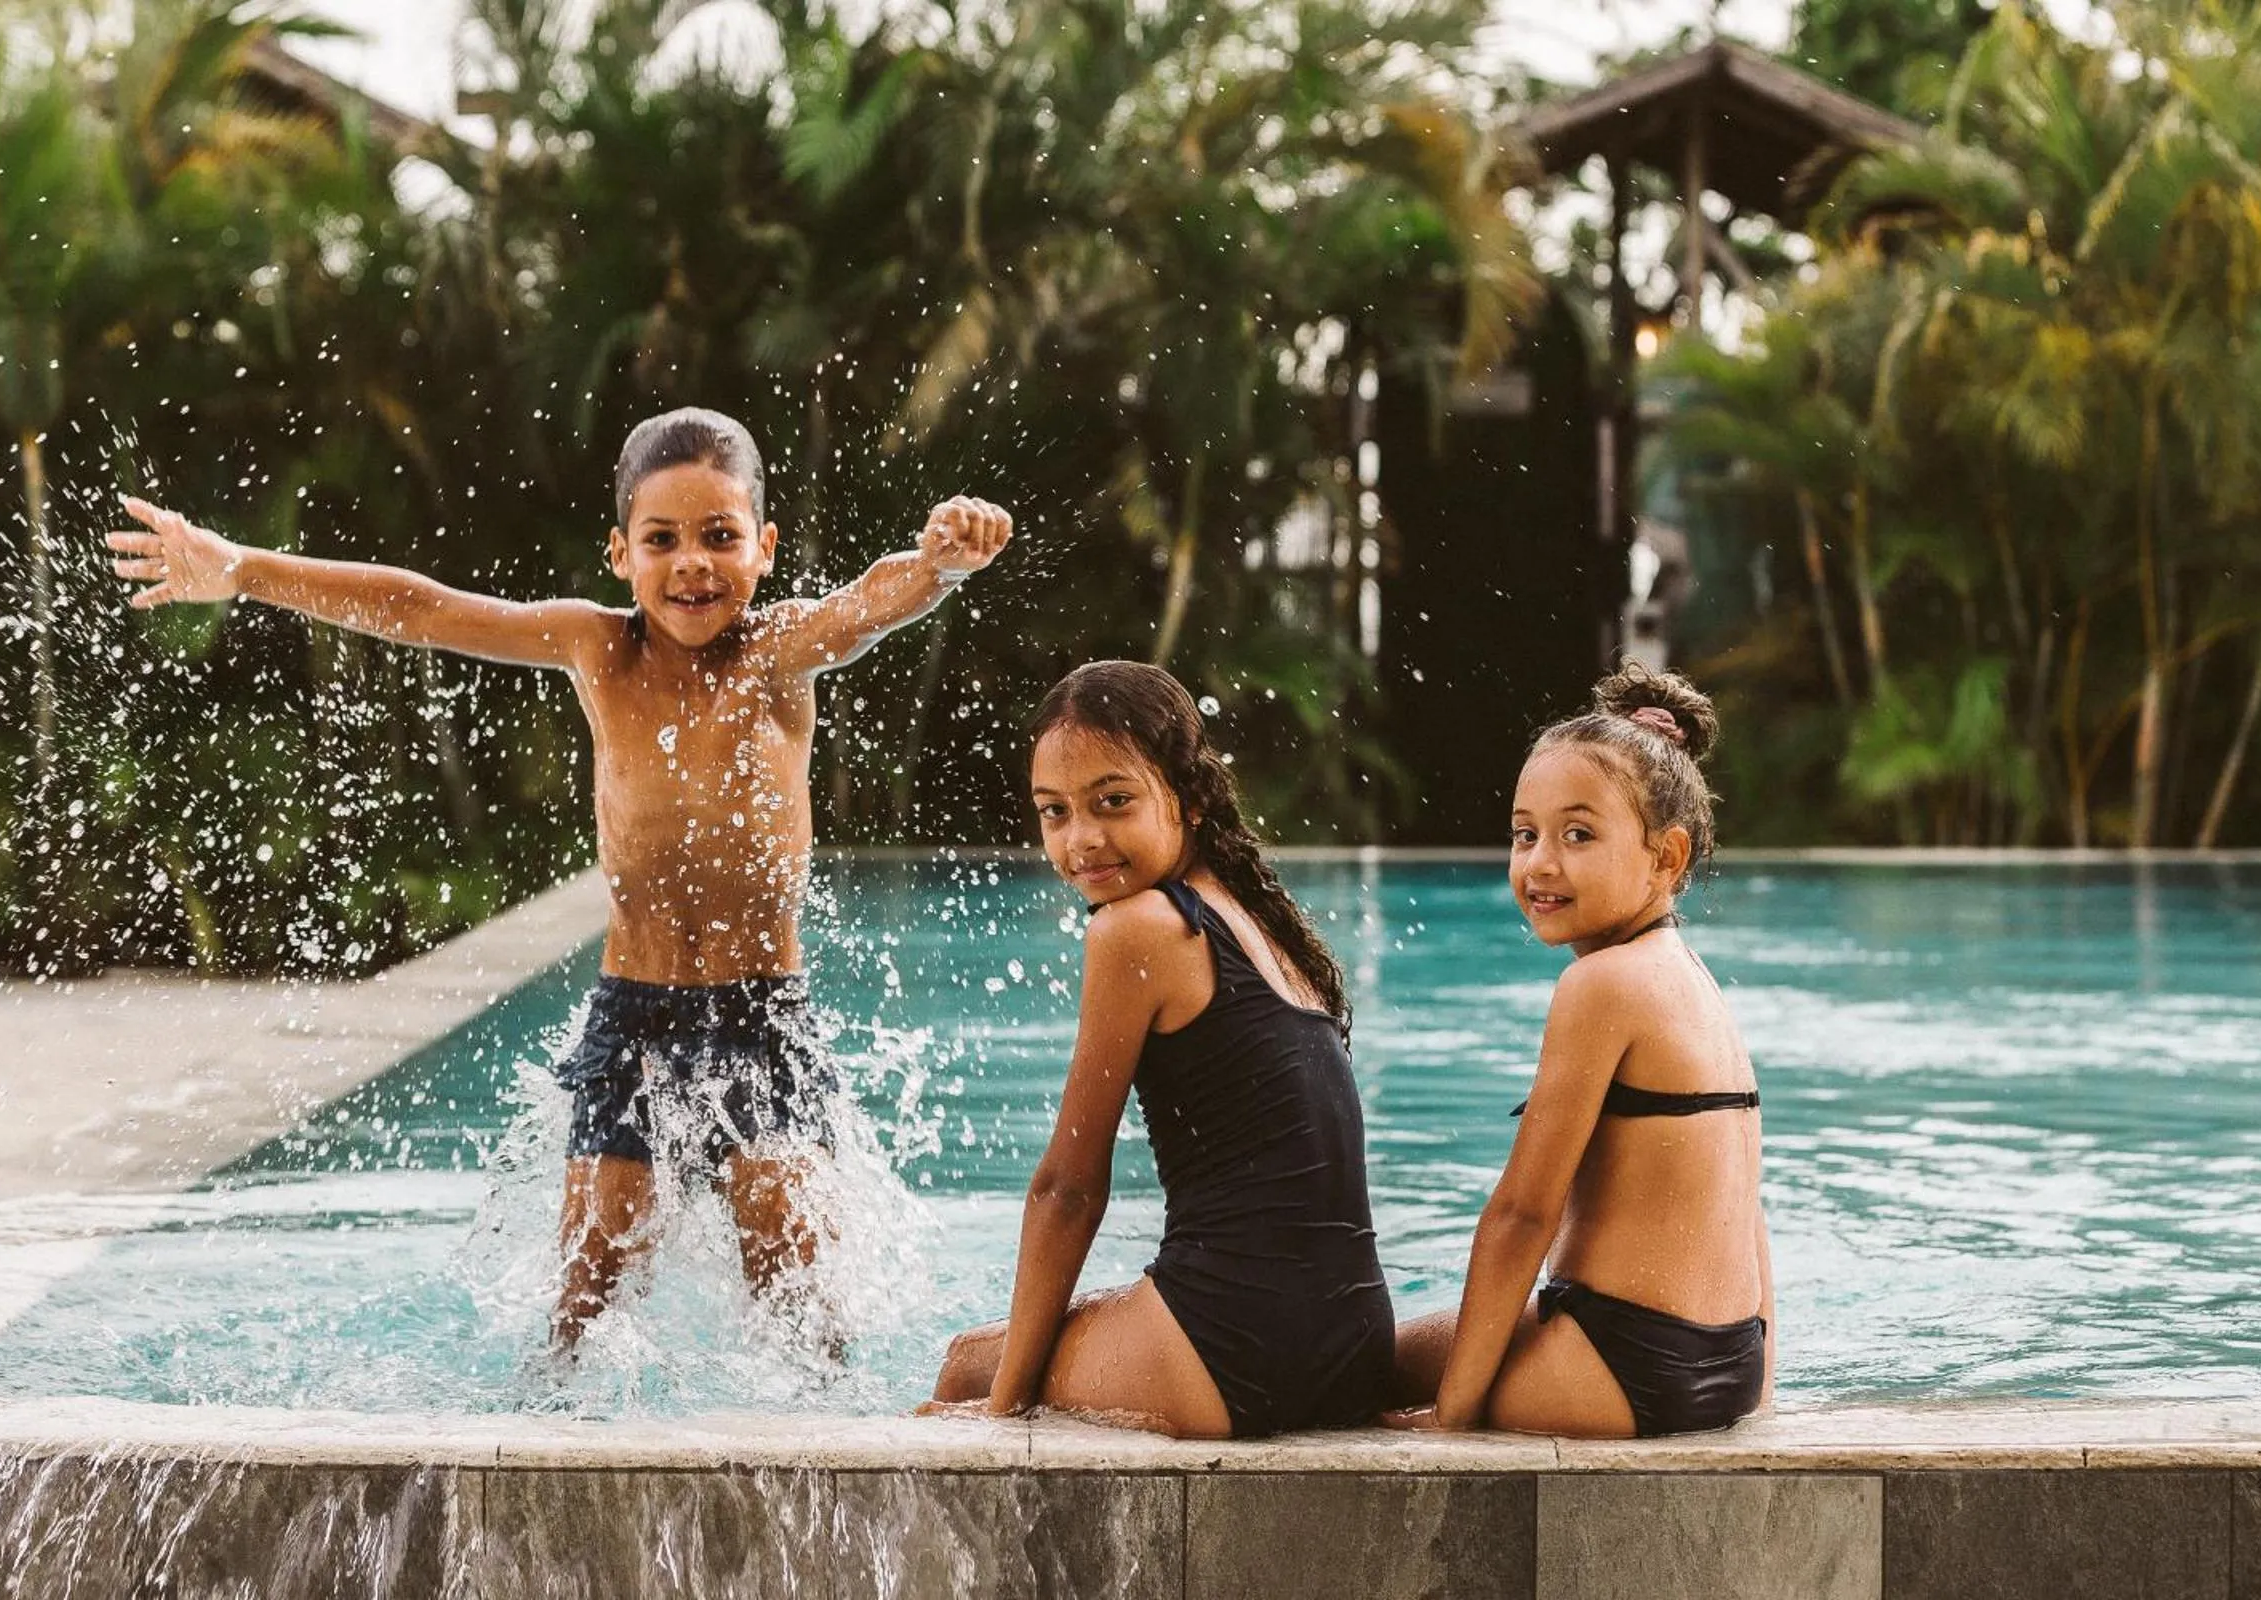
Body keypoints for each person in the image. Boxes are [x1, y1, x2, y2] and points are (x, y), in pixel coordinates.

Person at [106, 407, 1011, 1353]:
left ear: (764, 548)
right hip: (634, 1020)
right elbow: (423, 608)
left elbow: (864, 607)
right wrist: (244, 569)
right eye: (661, 540)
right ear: (620, 554)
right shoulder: (598, 648)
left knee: (803, 1309)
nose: (692, 563)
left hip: (761, 1017)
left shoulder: (776, 653)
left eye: (719, 536)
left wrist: (940, 565)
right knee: (583, 1307)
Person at [920, 661, 1393, 1438]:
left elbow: (1068, 1190)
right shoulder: (1251, 918)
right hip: (1353, 1342)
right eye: (1054, 812)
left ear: (1191, 798)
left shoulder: (1136, 929)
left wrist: (1005, 1412)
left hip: (1240, 1350)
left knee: (970, 1366)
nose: (1082, 840)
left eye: (1114, 802)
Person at [1387, 663, 1772, 1438]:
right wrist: (1758, 1384)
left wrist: (1452, 1419)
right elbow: (1748, 1214)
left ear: (1666, 857)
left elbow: (1523, 1214)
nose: (1540, 864)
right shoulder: (1692, 981)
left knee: (1350, 1365)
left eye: (1578, 834)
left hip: (1630, 1366)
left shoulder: (1603, 985)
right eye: (1525, 834)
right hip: (1728, 1361)